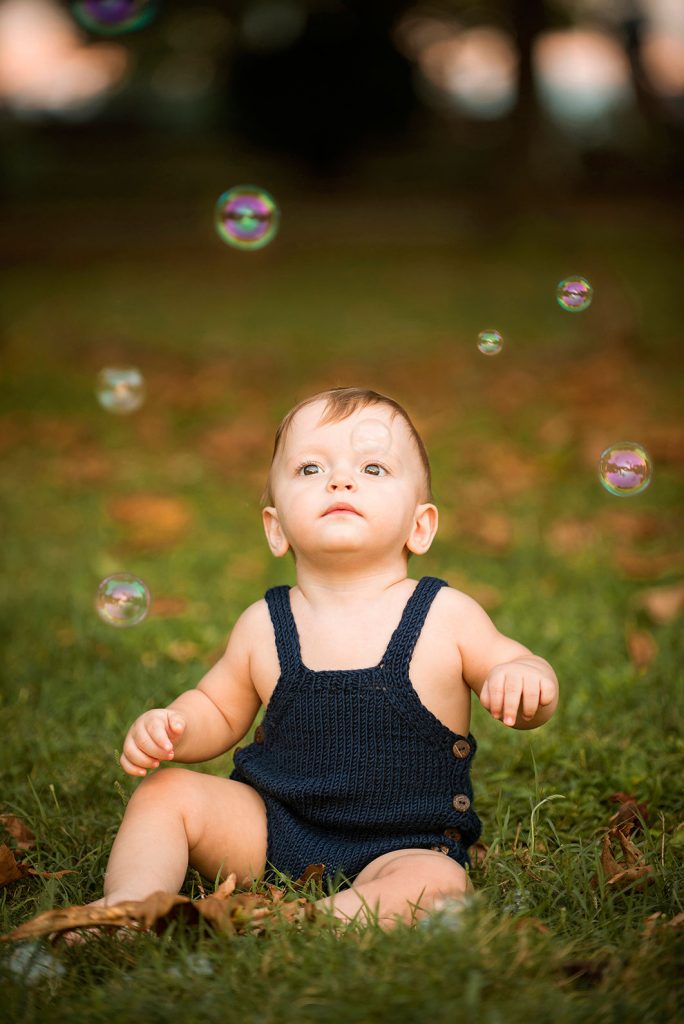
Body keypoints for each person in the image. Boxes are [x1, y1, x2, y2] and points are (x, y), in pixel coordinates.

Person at [100, 387, 559, 931]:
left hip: (400, 843)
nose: (340, 481)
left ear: (421, 525)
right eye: (311, 468)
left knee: (437, 884)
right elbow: (217, 711)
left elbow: (518, 666)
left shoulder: (445, 615)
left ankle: (302, 925)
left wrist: (524, 678)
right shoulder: (264, 624)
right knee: (165, 793)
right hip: (272, 826)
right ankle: (126, 910)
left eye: (372, 467)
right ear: (276, 527)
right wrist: (173, 726)